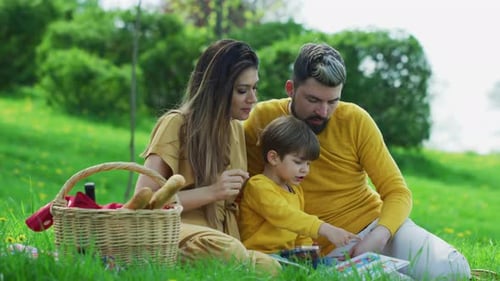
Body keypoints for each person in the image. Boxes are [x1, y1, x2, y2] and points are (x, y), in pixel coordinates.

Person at [243, 42, 471, 280]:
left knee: (453, 269)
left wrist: (379, 235)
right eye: (313, 100)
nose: (323, 111)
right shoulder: (263, 119)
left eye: (332, 101)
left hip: (377, 228)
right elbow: (246, 186)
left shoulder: (355, 120)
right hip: (329, 253)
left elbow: (397, 192)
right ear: (290, 88)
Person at [134, 39, 280, 274]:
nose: (252, 99)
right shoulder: (176, 124)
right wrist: (212, 192)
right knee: (227, 251)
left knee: (270, 266)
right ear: (217, 89)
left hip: (221, 238)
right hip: (174, 230)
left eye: (255, 88)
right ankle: (143, 261)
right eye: (242, 90)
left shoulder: (235, 130)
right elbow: (144, 202)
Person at [238, 115, 359, 255]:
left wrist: (309, 254)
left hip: (286, 256)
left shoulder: (295, 190)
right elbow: (285, 216)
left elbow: (300, 231)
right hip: (259, 255)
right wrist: (324, 228)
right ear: (273, 158)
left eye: (308, 163)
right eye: (298, 162)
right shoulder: (258, 186)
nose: (305, 170)